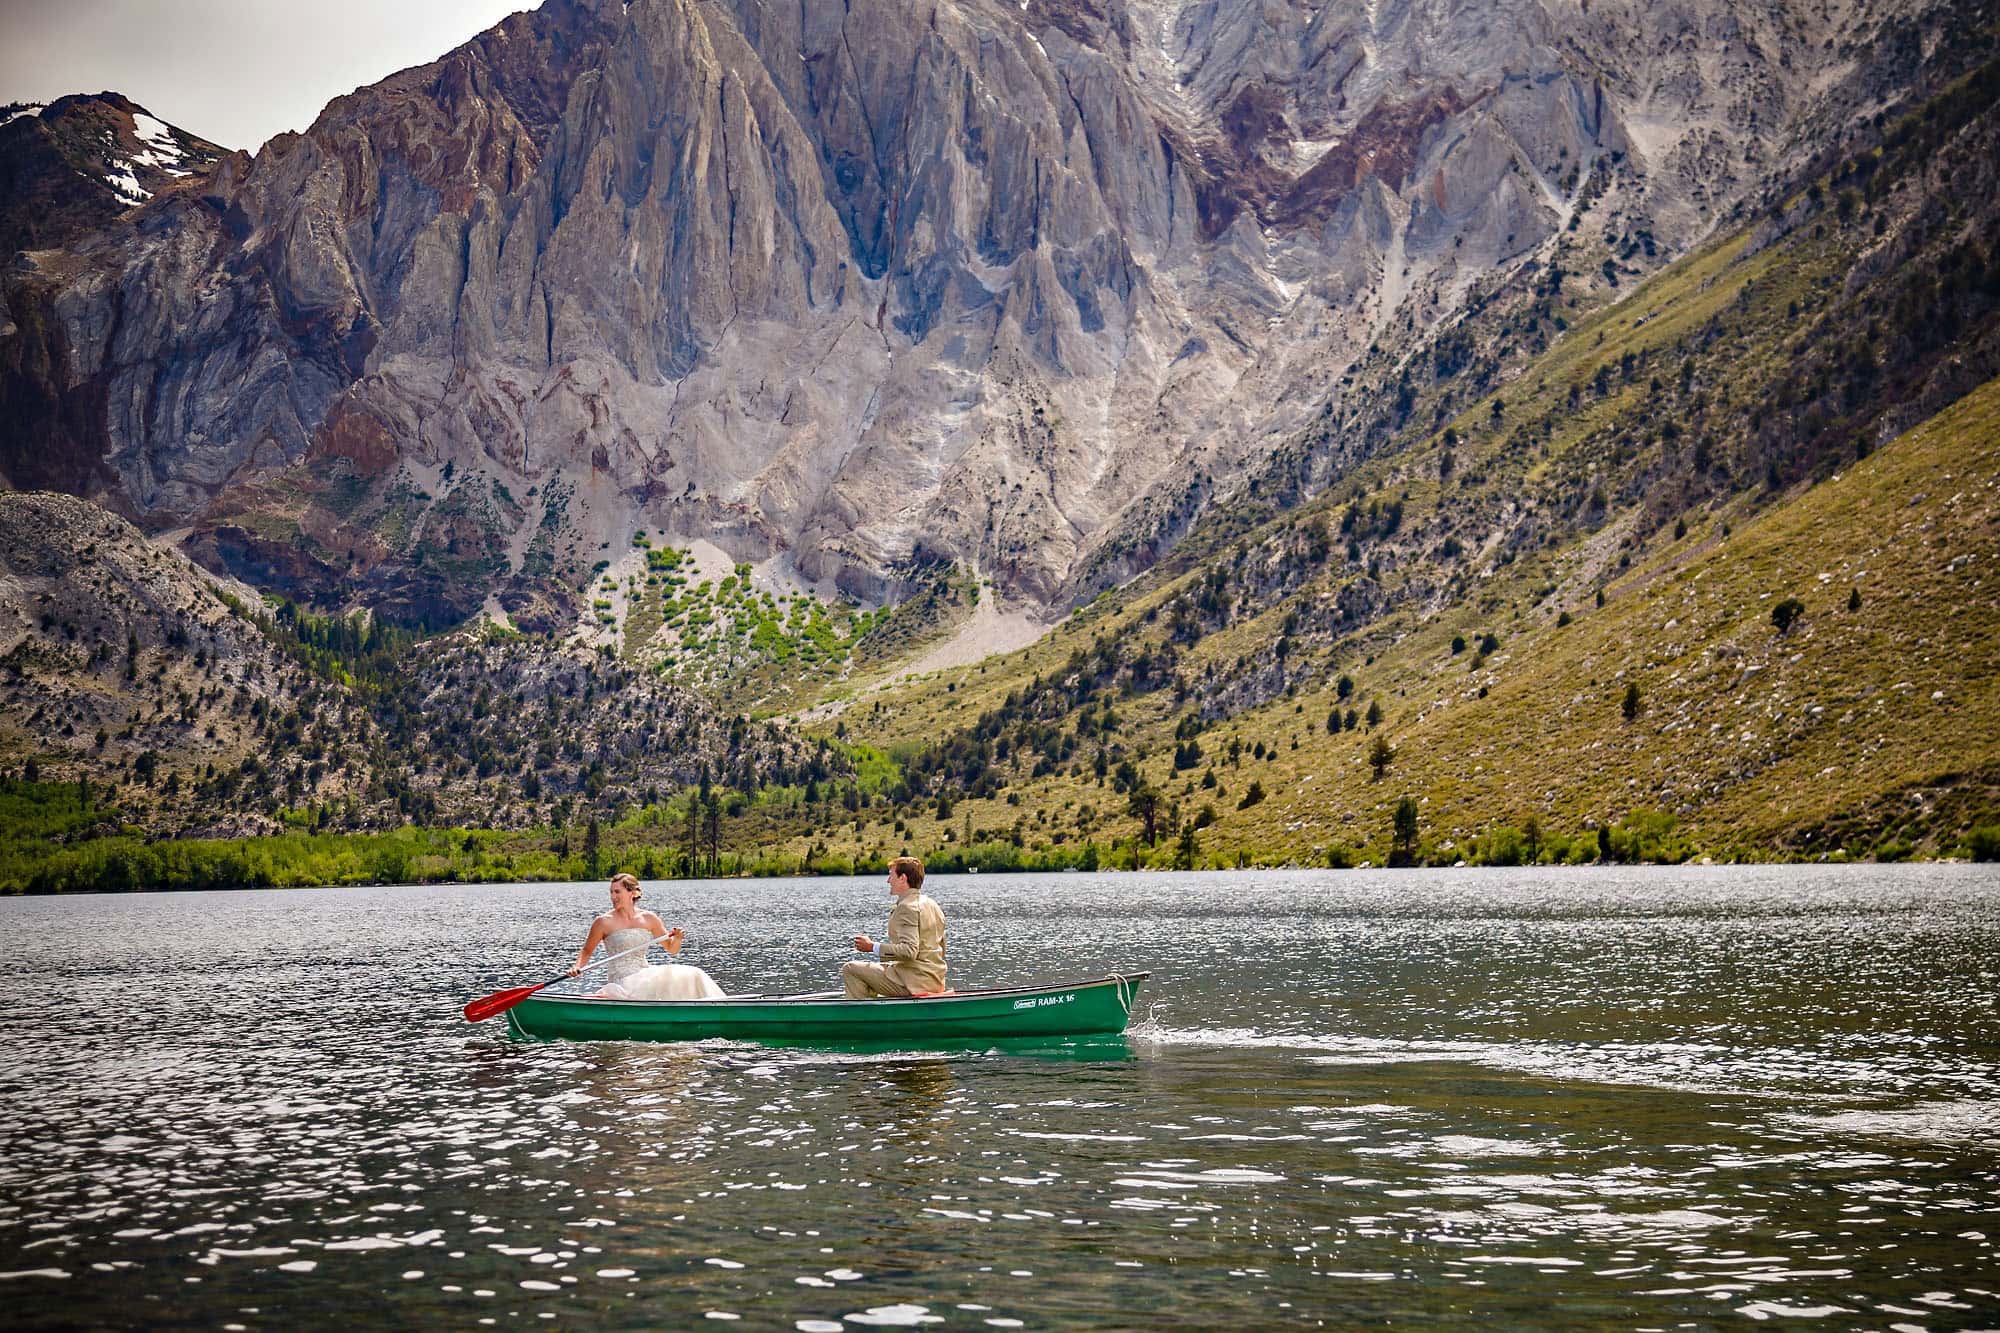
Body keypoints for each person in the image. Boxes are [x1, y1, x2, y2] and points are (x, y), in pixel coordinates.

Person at [568, 872, 724, 1000]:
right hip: (622, 980)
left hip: (644, 974)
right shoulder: (603, 922)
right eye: (611, 892)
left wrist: (677, 938)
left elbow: (672, 949)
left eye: (617, 892)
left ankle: (716, 1008)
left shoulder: (649, 918)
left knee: (694, 973)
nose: (613, 896)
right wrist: (577, 967)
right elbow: (587, 951)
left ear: (633, 893)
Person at [843, 856, 947, 998]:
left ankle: (862, 1018)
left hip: (913, 982)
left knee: (851, 969)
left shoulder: (907, 908)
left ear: (902, 878)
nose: (888, 880)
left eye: (891, 875)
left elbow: (909, 951)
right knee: (870, 972)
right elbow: (941, 945)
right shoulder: (932, 904)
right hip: (935, 980)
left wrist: (872, 947)